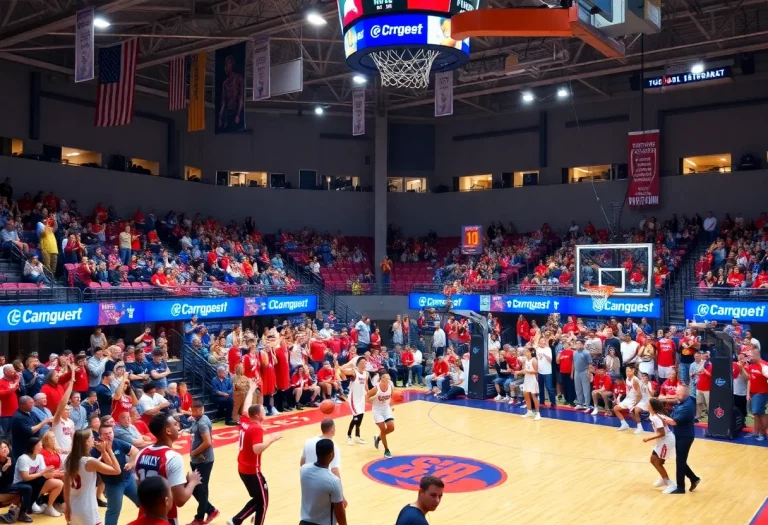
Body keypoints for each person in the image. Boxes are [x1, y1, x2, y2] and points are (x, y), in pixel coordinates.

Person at [228, 379, 282, 525]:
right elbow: (256, 449)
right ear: (257, 415)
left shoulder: (244, 420)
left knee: (258, 500)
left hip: (242, 468)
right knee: (263, 502)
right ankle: (237, 520)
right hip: (252, 470)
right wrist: (272, 439)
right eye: (263, 410)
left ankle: (236, 520)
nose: (265, 411)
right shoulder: (256, 428)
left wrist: (251, 390)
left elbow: (246, 406)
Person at [135, 414, 202, 525]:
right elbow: (180, 500)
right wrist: (193, 482)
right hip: (165, 517)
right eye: (175, 425)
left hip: (144, 516)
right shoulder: (172, 457)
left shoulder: (141, 453)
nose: (178, 427)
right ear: (168, 431)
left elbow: (140, 488)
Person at [64, 429, 121, 525]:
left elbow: (66, 487)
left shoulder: (68, 460)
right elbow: (117, 470)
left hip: (74, 507)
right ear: (86, 442)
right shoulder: (89, 462)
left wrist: (67, 507)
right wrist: (109, 450)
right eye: (92, 438)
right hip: (87, 509)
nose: (94, 440)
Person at [94, 424, 140, 525]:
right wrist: (107, 450)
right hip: (113, 485)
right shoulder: (96, 450)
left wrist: (131, 463)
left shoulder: (118, 443)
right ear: (100, 436)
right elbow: (113, 468)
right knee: (113, 511)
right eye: (105, 434)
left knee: (143, 503)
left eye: (110, 433)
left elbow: (135, 451)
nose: (109, 436)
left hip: (128, 479)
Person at [659, 385, 701, 494]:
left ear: (685, 394)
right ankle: (694, 478)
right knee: (680, 460)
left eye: (679, 393)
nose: (677, 395)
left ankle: (681, 487)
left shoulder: (686, 407)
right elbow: (673, 414)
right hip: (680, 435)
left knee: (680, 461)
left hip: (685, 437)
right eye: (677, 392)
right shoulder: (683, 401)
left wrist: (660, 417)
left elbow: (674, 422)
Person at [299, 438, 347, 525]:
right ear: (331, 455)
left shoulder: (304, 470)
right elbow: (340, 513)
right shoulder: (333, 481)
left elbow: (302, 462)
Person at [13, 437, 63, 516]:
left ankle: (49, 507)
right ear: (33, 446)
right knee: (41, 479)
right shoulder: (23, 458)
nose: (41, 447)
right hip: (21, 485)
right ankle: (30, 501)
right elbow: (25, 477)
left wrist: (54, 473)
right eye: (39, 445)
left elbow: (43, 474)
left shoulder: (40, 457)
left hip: (35, 483)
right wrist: (42, 473)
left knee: (59, 483)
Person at [188, 400, 219, 525]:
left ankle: (200, 518)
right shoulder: (197, 419)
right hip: (198, 460)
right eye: (194, 410)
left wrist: (194, 452)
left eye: (198, 410)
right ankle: (211, 510)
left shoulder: (202, 423)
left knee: (200, 489)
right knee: (196, 487)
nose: (196, 412)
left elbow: (207, 442)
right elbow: (194, 432)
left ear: (203, 409)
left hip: (203, 460)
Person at [643, 398, 676, 492]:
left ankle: (670, 484)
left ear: (652, 406)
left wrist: (648, 438)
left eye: (648, 403)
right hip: (662, 440)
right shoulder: (653, 414)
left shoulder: (655, 417)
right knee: (655, 460)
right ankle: (663, 477)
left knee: (656, 461)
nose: (646, 404)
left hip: (666, 440)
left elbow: (662, 433)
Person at [0, 440, 32, 524]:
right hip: (1, 487)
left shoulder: (11, 459)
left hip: (7, 485)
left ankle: (22, 513)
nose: (4, 449)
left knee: (27, 488)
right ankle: (13, 513)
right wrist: (3, 470)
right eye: (1, 448)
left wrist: (7, 469)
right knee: (20, 493)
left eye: (5, 447)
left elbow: (10, 480)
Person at [340, 357, 368, 445]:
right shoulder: (354, 372)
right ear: (358, 363)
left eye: (365, 362)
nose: (364, 363)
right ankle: (349, 436)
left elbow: (366, 387)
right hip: (354, 398)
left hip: (361, 398)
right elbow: (342, 371)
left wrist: (370, 396)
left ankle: (357, 436)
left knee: (360, 417)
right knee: (356, 417)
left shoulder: (366, 373)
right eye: (362, 362)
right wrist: (344, 365)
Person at [368, 372, 395, 458]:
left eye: (389, 378)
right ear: (382, 379)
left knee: (391, 428)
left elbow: (392, 396)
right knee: (383, 429)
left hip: (386, 408)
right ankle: (386, 450)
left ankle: (378, 438)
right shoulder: (376, 388)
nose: (389, 380)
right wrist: (374, 397)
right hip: (377, 410)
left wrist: (391, 406)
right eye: (387, 378)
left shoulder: (390, 386)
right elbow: (367, 398)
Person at [218, 54, 245, 131]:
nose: (225, 68)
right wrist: (220, 117)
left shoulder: (238, 78)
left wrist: (238, 114)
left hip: (236, 113)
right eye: (225, 65)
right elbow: (223, 102)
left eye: (227, 65)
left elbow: (240, 97)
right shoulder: (225, 83)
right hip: (227, 114)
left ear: (232, 65)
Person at [615, 366, 642, 432]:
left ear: (633, 371)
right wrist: (620, 398)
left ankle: (640, 427)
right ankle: (624, 424)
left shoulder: (635, 380)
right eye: (626, 371)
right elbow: (628, 391)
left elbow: (639, 395)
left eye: (629, 371)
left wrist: (635, 404)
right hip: (629, 399)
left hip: (635, 399)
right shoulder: (627, 378)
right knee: (616, 408)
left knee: (634, 413)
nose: (627, 373)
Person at [521, 345, 541, 420]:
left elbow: (536, 371)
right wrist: (522, 370)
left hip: (533, 380)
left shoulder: (534, 360)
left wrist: (527, 371)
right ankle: (529, 411)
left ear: (531, 352)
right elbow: (524, 370)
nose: (525, 352)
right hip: (526, 379)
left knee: (534, 396)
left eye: (527, 351)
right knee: (526, 395)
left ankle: (538, 413)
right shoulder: (525, 360)